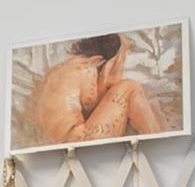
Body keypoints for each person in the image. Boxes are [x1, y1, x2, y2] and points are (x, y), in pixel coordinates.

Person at [25, 33, 167, 146]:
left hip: (62, 140)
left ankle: (157, 135)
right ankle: (159, 138)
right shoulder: (87, 70)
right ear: (101, 60)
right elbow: (92, 103)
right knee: (129, 87)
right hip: (77, 141)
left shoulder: (68, 67)